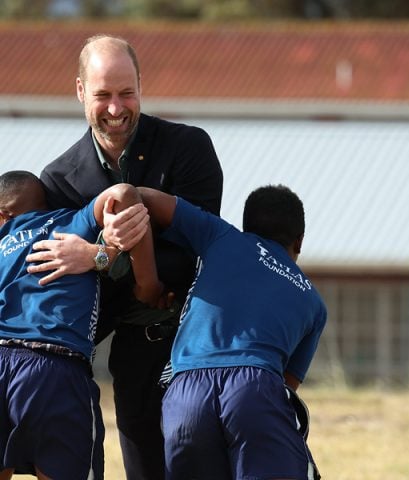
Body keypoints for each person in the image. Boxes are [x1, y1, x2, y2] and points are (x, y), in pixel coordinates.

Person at [25, 34, 223, 479]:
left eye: (126, 93)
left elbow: (196, 253)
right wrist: (105, 258)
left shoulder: (190, 148)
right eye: (103, 95)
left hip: (200, 347)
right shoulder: (57, 181)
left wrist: (103, 253)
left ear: (141, 85)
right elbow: (66, 285)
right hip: (132, 354)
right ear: (80, 92)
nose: (116, 109)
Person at [136, 183, 326, 480]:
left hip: (185, 393)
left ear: (246, 225)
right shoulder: (314, 302)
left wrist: (147, 282)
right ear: (299, 241)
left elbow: (139, 195)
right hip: (255, 386)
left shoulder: (222, 236)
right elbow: (286, 387)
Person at [0, 171, 162, 480]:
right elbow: (124, 192)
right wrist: (146, 283)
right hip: (53, 368)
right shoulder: (73, 223)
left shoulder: (3, 240)